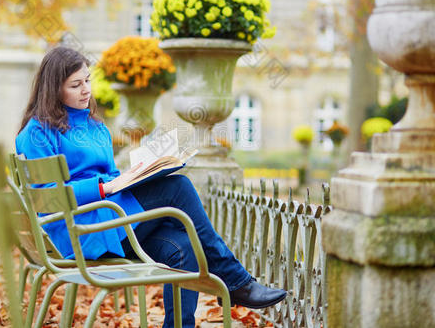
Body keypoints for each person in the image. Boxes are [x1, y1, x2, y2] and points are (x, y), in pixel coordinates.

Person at [15, 46, 286, 327]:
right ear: (53, 89)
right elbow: (48, 200)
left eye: (87, 80)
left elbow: (109, 176)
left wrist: (135, 174)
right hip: (82, 232)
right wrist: (103, 188)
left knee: (184, 247)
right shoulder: (37, 134)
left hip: (112, 222)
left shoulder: (97, 128)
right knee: (178, 187)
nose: (86, 90)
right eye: (75, 85)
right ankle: (236, 280)